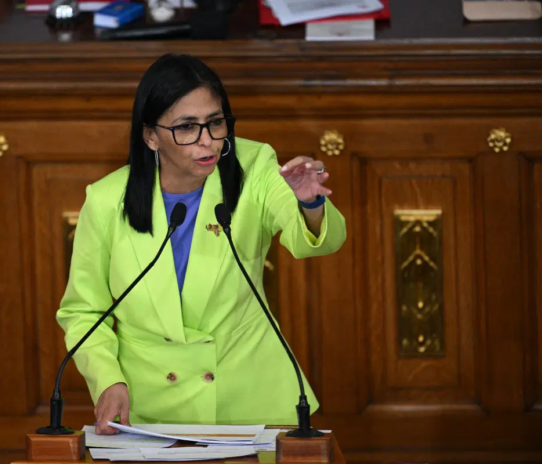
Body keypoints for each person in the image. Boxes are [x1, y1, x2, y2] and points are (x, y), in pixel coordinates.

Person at [56, 53, 347, 435]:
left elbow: (315, 243)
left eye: (215, 123)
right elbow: (83, 311)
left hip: (250, 400)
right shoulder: (107, 200)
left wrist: (309, 203)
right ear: (150, 135)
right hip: (150, 407)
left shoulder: (256, 167)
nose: (207, 141)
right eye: (187, 127)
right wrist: (108, 380)